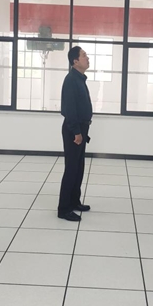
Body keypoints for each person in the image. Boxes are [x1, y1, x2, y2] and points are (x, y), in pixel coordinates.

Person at [58, 46, 93, 222]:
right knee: (71, 169)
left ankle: (74, 201)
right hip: (74, 130)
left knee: (78, 168)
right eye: (84, 56)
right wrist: (77, 132)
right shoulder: (71, 80)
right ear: (75, 61)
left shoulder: (79, 79)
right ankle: (64, 209)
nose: (88, 58)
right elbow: (69, 109)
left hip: (81, 128)